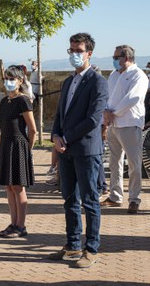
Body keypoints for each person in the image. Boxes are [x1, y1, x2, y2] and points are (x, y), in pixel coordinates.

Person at [49, 33, 108, 268]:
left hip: (86, 149)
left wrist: (65, 137)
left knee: (90, 201)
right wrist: (54, 135)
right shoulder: (67, 82)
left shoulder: (98, 81)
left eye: (78, 50)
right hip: (65, 150)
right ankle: (73, 244)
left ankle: (91, 248)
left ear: (89, 53)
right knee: (69, 199)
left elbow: (94, 119)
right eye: (71, 50)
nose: (74, 54)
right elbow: (59, 114)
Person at [101, 45, 148, 214]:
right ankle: (115, 195)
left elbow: (133, 98)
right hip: (114, 125)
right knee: (115, 162)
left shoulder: (138, 75)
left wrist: (113, 113)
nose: (114, 60)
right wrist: (106, 113)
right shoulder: (114, 75)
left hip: (129, 124)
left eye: (116, 57)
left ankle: (134, 198)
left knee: (134, 164)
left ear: (126, 58)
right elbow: (107, 96)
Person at [0, 65, 36, 238]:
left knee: (18, 187)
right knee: (9, 186)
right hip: (5, 145)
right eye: (6, 78)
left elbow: (32, 129)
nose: (8, 82)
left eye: (12, 79)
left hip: (18, 145)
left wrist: (28, 148)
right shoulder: (5, 101)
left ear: (20, 81)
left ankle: (21, 225)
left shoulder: (23, 100)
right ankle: (13, 223)